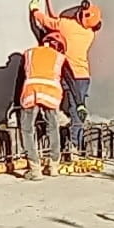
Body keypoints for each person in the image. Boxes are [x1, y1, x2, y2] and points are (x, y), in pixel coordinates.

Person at [30, 0, 101, 150]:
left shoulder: (66, 25)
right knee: (77, 111)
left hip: (67, 76)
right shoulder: (90, 34)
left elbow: (47, 22)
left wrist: (35, 10)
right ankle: (75, 145)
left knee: (57, 107)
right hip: (83, 77)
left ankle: (69, 145)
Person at [15, 30, 68, 178]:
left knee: (27, 129)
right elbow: (66, 81)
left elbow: (20, 77)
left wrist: (15, 101)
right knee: (53, 127)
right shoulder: (59, 57)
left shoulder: (29, 53)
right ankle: (54, 167)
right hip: (51, 94)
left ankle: (35, 169)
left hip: (31, 92)